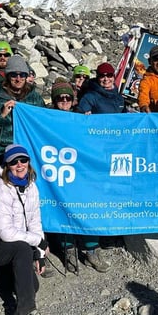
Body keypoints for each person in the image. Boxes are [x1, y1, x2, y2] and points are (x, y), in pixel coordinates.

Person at [0, 144, 48, 315]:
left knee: (31, 285)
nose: (19, 165)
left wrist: (40, 254)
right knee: (22, 249)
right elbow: (6, 233)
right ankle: (24, 312)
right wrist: (38, 242)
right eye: (14, 162)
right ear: (7, 166)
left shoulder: (31, 187)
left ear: (29, 163)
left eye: (23, 160)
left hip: (9, 244)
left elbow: (35, 221)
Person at [50, 79, 111, 273]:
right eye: (60, 98)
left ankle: (91, 249)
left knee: (89, 208)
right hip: (60, 171)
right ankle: (68, 250)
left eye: (68, 97)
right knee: (62, 210)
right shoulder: (46, 118)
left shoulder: (81, 117)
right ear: (54, 100)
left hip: (82, 173)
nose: (65, 100)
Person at [0, 55, 45, 178]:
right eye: (14, 75)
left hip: (26, 159)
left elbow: (44, 127)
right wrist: (1, 116)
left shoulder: (35, 99)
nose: (18, 79)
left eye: (22, 75)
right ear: (7, 76)